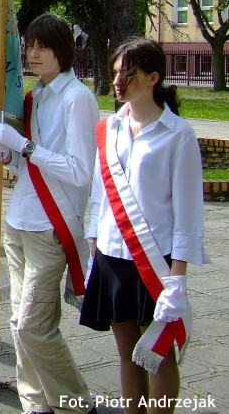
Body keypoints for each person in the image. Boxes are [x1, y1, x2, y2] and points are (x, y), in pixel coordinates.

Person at [81, 38, 208, 412]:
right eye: (116, 71)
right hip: (112, 255)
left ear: (153, 78)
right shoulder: (110, 128)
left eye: (128, 72)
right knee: (127, 352)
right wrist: (93, 244)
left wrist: (178, 279)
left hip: (155, 261)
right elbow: (99, 192)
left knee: (157, 353)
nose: (118, 80)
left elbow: (188, 210)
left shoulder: (177, 134)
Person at [0, 13, 97, 414]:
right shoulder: (36, 95)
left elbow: (80, 170)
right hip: (20, 219)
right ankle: (36, 400)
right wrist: (9, 153)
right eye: (29, 46)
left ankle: (75, 403)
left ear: (62, 50)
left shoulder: (77, 98)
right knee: (18, 322)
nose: (33, 54)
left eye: (42, 46)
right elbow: (28, 167)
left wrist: (26, 148)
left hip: (52, 224)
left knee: (35, 326)